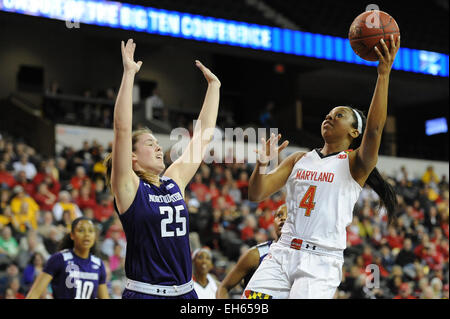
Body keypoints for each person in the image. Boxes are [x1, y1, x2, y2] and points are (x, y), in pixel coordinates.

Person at [242, 35, 400, 299]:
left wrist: (383, 74)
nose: (329, 116)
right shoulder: (298, 159)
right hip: (281, 253)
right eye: (328, 114)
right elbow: (256, 195)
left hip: (320, 261)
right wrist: (260, 166)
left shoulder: (355, 164)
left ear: (353, 132)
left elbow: (374, 129)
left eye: (339, 115)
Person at [104, 39, 220, 299]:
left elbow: (202, 136)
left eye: (158, 144)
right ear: (132, 157)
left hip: (186, 292)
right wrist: (129, 74)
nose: (159, 148)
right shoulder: (129, 187)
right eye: (150, 144)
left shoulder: (173, 181)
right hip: (147, 293)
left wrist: (214, 87)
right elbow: (122, 129)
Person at [25, 217, 109, 299]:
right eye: (81, 230)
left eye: (90, 231)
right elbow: (34, 293)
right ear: (72, 235)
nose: (86, 234)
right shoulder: (59, 259)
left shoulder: (98, 264)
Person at [216, 204, 287, 298]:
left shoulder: (305, 259)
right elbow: (223, 287)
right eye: (279, 215)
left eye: (289, 215)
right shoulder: (256, 254)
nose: (283, 218)